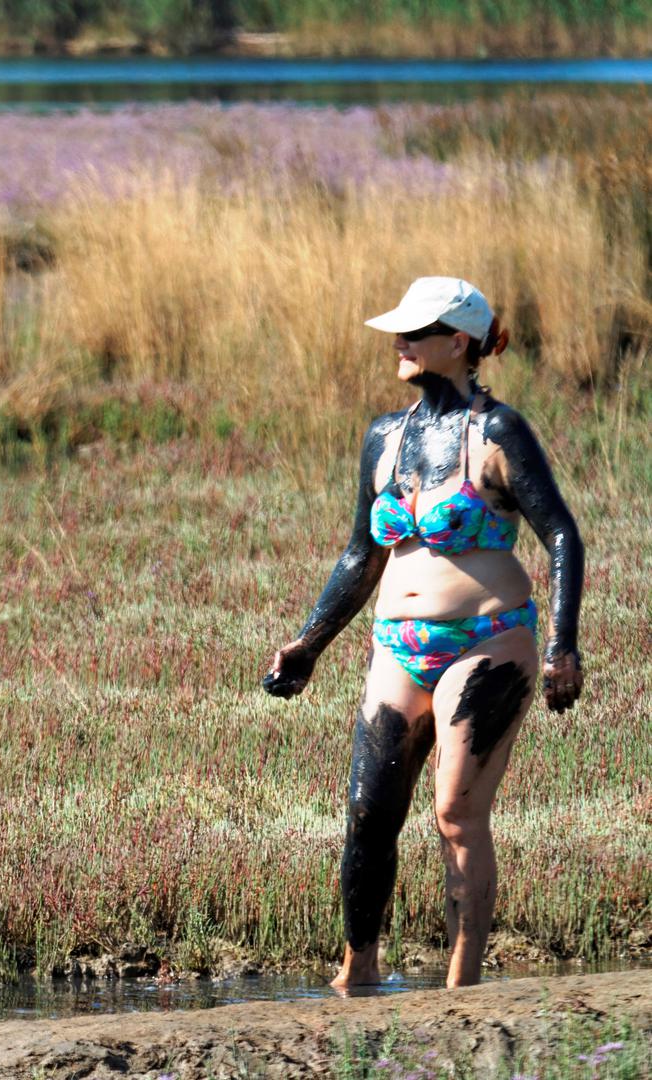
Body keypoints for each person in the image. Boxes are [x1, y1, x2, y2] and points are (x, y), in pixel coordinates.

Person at [264, 277, 583, 990]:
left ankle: (460, 991)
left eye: (416, 331)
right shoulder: (385, 435)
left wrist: (563, 646)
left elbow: (560, 532)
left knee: (455, 812)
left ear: (458, 341)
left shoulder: (498, 433)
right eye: (399, 331)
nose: (399, 342)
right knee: (369, 813)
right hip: (396, 649)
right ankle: (358, 976)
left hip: (488, 641)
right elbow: (360, 554)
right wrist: (308, 645)